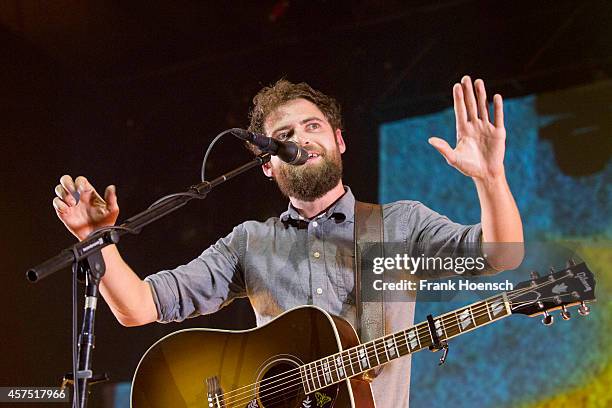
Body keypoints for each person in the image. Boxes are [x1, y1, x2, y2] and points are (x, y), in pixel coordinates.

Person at [52, 76, 523, 407]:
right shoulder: (249, 243)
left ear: (340, 140)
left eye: (312, 126)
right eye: (283, 137)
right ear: (267, 164)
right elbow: (138, 307)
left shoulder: (399, 226)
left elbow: (502, 255)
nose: (301, 139)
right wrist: (96, 240)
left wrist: (491, 177)